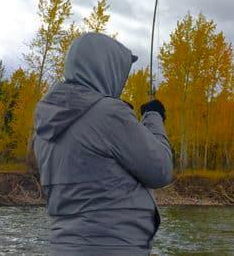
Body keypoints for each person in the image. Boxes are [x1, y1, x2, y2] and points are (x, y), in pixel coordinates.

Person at [33, 32, 173, 255]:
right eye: (121, 72)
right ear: (106, 69)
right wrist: (153, 117)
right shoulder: (108, 114)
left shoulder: (45, 123)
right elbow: (161, 170)